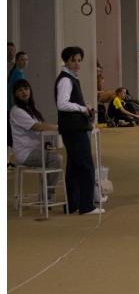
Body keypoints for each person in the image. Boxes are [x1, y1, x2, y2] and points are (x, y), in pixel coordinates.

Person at [55, 46, 104, 215]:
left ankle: (72, 204)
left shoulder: (71, 78)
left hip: (72, 128)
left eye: (78, 60)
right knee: (85, 166)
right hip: (74, 128)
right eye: (73, 60)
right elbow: (62, 104)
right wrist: (82, 108)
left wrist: (84, 106)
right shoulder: (65, 80)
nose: (77, 64)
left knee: (74, 167)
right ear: (66, 61)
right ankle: (86, 206)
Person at [10, 79, 63, 203]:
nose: (24, 92)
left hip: (36, 150)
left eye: (26, 89)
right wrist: (59, 128)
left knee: (53, 157)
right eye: (20, 90)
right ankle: (47, 195)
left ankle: (46, 193)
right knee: (56, 159)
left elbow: (41, 126)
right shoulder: (17, 111)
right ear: (15, 94)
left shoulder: (31, 109)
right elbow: (37, 127)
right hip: (26, 153)